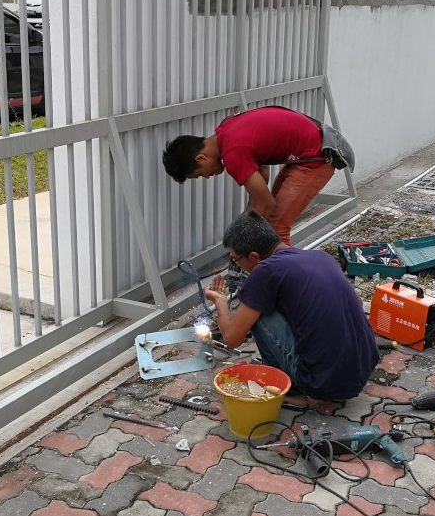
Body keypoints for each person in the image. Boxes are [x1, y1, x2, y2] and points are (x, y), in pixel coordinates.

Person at [204, 212, 380, 406]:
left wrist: (220, 301)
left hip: (322, 384)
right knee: (271, 302)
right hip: (362, 368)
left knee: (258, 311)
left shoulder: (265, 271)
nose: (236, 265)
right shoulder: (321, 257)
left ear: (254, 256)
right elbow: (355, 300)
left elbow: (231, 339)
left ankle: (294, 390)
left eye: (235, 260)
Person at [161, 106, 339, 246]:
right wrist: (241, 229)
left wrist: (240, 239)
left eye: (200, 174)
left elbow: (266, 203)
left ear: (201, 158)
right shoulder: (225, 129)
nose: (207, 177)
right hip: (305, 155)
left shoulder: (232, 152)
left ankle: (285, 287)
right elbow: (262, 179)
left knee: (276, 229)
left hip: (316, 159)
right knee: (268, 224)